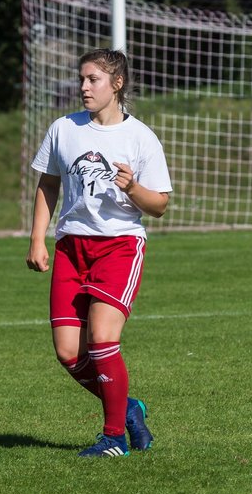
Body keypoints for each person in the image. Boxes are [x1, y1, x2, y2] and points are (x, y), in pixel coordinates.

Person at [27, 48, 172, 457]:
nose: (84, 87)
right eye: (82, 79)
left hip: (119, 246)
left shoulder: (140, 137)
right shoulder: (64, 129)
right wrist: (38, 238)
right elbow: (48, 184)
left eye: (93, 79)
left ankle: (113, 439)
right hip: (72, 246)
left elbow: (159, 205)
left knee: (104, 341)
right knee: (69, 352)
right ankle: (128, 409)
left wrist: (132, 189)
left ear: (117, 85)